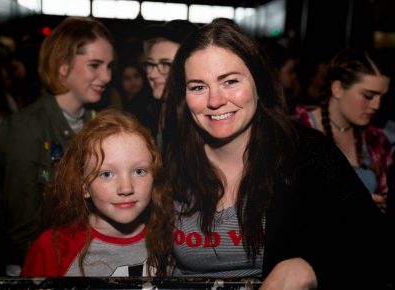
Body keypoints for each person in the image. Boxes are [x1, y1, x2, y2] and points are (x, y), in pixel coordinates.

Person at [162, 18, 391, 289]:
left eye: (230, 81)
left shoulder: (307, 154)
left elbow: (379, 250)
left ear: (259, 83)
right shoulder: (169, 161)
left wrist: (308, 269)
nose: (214, 101)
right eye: (198, 87)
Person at [0, 16, 115, 276]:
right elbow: (21, 230)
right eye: (95, 65)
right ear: (62, 66)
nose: (106, 76)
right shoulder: (25, 128)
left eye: (109, 66)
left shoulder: (99, 122)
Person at [20, 109, 173, 277]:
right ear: (84, 186)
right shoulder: (52, 248)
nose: (126, 188)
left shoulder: (169, 240)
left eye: (139, 171)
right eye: (106, 174)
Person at [294, 47, 392, 213]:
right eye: (368, 96)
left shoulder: (377, 139)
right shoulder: (295, 133)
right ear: (337, 88)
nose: (377, 105)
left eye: (381, 97)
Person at [140, 19, 198, 148]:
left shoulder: (203, 124)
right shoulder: (147, 115)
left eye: (166, 64)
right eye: (150, 64)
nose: (152, 74)